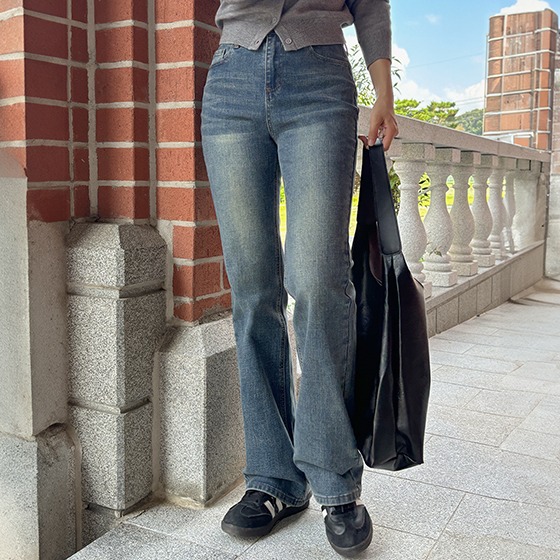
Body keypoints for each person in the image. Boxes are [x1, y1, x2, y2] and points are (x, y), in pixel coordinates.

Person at [201, 1, 398, 556]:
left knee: (317, 281)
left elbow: (370, 5)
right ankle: (274, 479)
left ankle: (335, 480)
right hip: (231, 80)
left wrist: (383, 93)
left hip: (319, 78)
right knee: (252, 291)